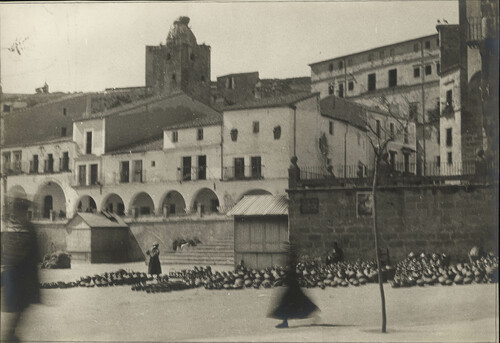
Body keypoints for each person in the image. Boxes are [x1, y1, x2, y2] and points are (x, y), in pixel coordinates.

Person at [1, 196, 41, 342]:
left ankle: (10, 335)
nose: (15, 213)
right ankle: (9, 335)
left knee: (19, 308)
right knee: (17, 308)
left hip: (20, 275)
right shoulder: (20, 227)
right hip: (17, 275)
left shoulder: (20, 227)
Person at [268, 242, 320, 328]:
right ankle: (313, 312)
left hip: (292, 283)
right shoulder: (291, 257)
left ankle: (285, 322)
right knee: (298, 300)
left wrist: (285, 275)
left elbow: (291, 270)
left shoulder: (291, 257)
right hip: (292, 282)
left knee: (286, 302)